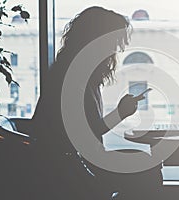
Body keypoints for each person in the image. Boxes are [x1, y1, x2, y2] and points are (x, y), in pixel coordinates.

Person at [31, 6, 162, 199]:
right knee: (146, 170)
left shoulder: (71, 72)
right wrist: (120, 113)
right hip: (72, 170)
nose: (116, 50)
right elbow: (86, 135)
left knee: (143, 163)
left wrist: (120, 113)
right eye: (113, 42)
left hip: (70, 165)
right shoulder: (75, 78)